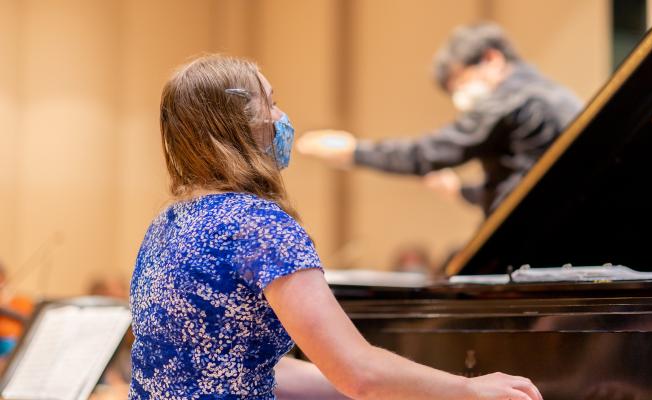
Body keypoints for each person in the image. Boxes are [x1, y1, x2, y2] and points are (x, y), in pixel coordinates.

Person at [128, 54, 543, 400]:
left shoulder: (164, 227)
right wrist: (467, 390)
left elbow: (246, 367)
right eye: (270, 103)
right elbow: (359, 373)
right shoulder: (258, 227)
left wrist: (410, 384)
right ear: (240, 125)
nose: (281, 117)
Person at [297, 22, 582, 215]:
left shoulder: (514, 100)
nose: (460, 96)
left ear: (491, 59)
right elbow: (526, 182)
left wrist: (354, 152)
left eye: (460, 81)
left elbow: (428, 153)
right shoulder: (547, 94)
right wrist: (461, 191)